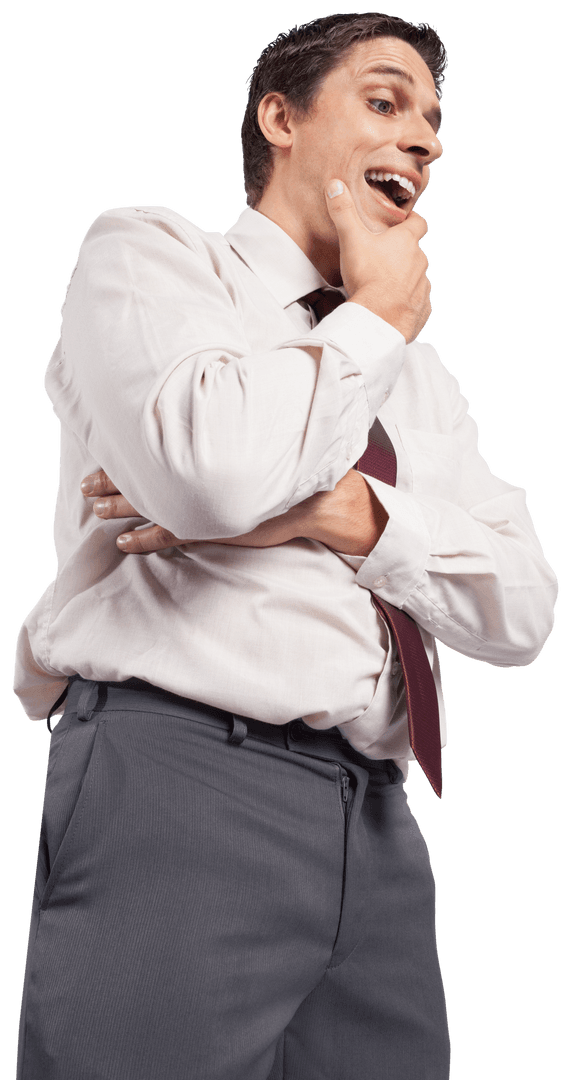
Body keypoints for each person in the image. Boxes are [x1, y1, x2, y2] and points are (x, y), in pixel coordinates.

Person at [13, 11, 557, 1080]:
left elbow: (524, 607)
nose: (426, 141)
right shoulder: (155, 260)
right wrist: (376, 318)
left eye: (432, 122)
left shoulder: (418, 378)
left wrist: (333, 511)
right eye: (385, 101)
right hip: (178, 778)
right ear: (281, 118)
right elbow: (209, 474)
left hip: (377, 818)